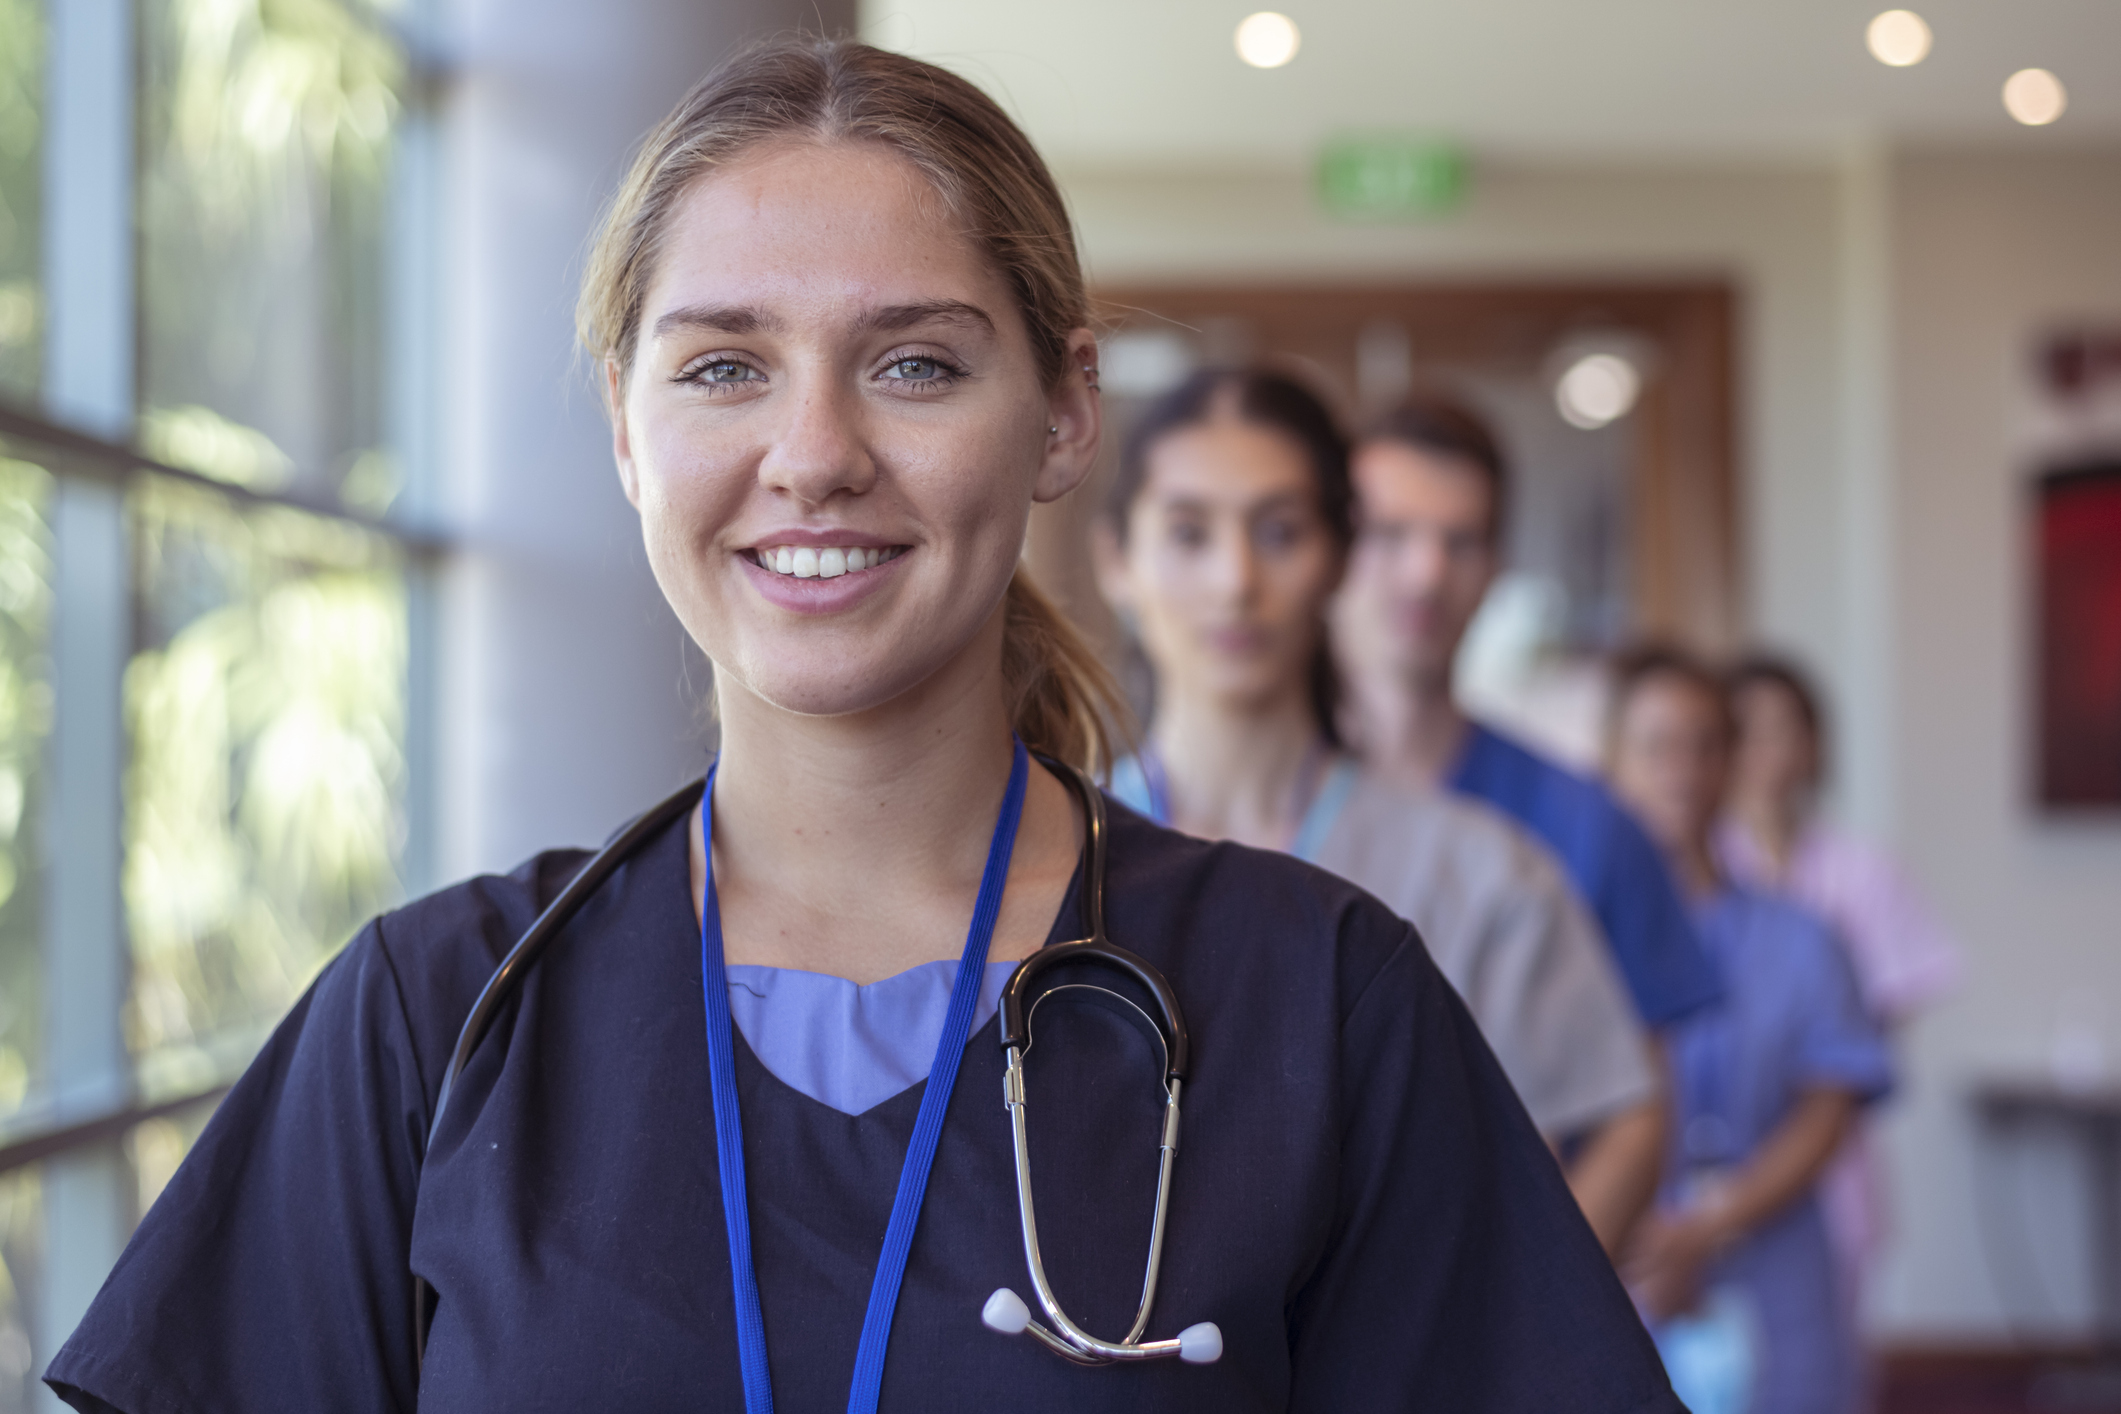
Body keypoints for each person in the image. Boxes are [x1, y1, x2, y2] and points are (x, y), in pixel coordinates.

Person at [45, 40, 1681, 1414]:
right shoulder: (438, 1017)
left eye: (911, 363)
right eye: (722, 369)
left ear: (1063, 413)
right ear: (624, 426)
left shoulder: (1314, 997)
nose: (813, 453)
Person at [1092, 367, 1666, 1256]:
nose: (1235, 580)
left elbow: (1621, 1118)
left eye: (1279, 531)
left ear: (1336, 557)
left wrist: (1501, 1355)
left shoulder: (1486, 875)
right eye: (1187, 532)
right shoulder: (1036, 858)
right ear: (1114, 561)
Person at [1332, 394, 1721, 1033]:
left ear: (1497, 565)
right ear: (1331, 548)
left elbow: (1647, 1108)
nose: (1427, 572)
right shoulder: (1255, 814)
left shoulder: (1593, 828)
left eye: (1461, 541)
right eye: (1390, 534)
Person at [1606, 647, 1892, 1414]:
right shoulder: (1573, 943)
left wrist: (1708, 1223)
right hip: (1619, 1266)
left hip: (1772, 1265)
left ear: (1731, 760)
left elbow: (1829, 1105)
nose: (1683, 769)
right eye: (1657, 746)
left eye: (1706, 745)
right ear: (1609, 763)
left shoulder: (1800, 939)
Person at [1716, 655, 1958, 1338]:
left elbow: (1880, 1019)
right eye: (1744, 731)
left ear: (1814, 744)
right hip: (1714, 1151)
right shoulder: (1695, 870)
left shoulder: (1860, 869)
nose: (1764, 751)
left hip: (1826, 1149)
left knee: (1820, 1358)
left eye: (1783, 730)